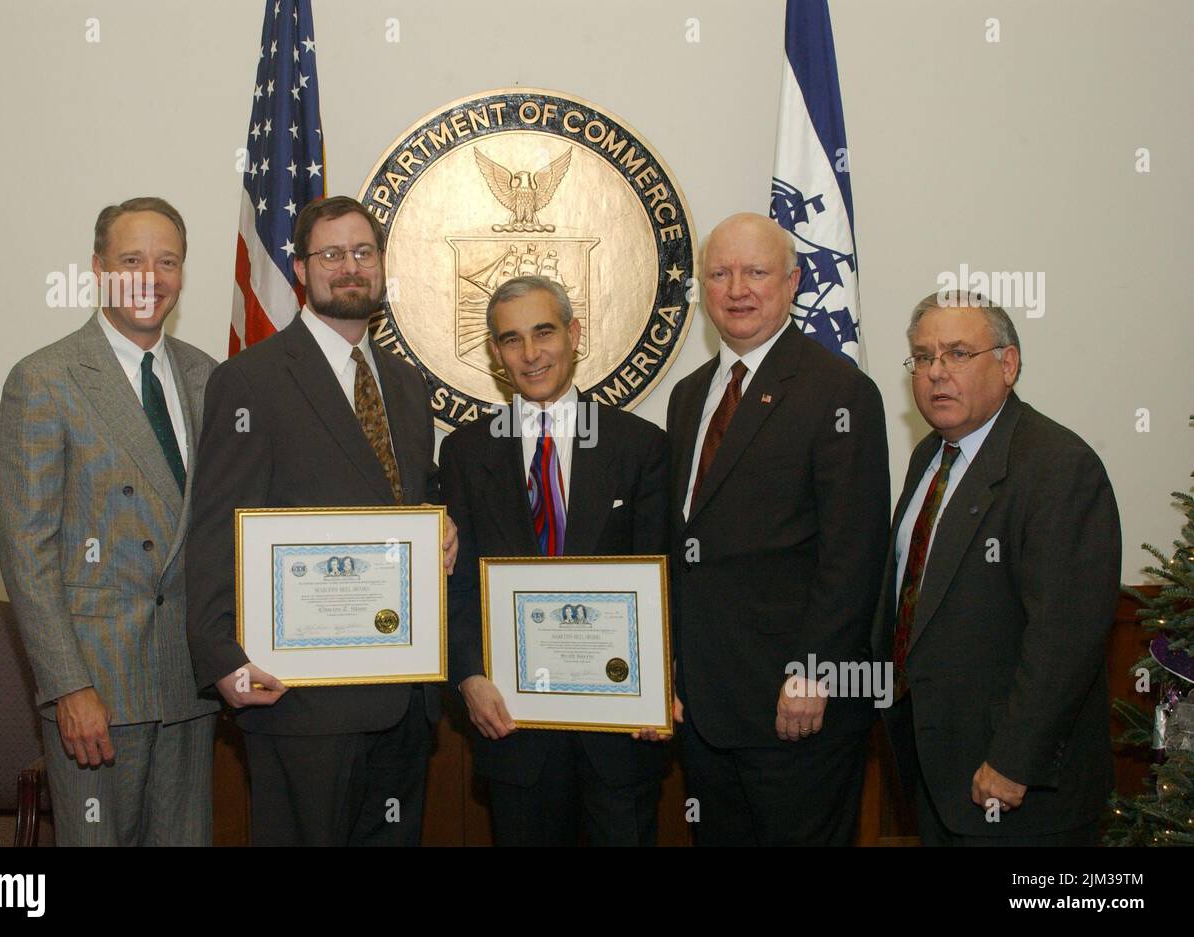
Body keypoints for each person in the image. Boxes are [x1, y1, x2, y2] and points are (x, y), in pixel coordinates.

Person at [185, 195, 456, 846]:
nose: (350, 267)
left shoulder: (406, 384)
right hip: (302, 699)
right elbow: (216, 523)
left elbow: (408, 495)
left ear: (382, 265)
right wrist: (224, 658)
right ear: (301, 269)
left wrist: (439, 521)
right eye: (331, 254)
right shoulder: (249, 381)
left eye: (363, 252)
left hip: (405, 693)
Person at [0, 196, 217, 845]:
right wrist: (69, 686)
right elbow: (25, 552)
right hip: (97, 696)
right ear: (98, 267)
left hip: (190, 687)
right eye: (132, 259)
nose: (152, 275)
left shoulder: (208, 376)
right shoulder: (44, 379)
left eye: (167, 260)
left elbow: (236, 521)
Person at [665, 213, 890, 845]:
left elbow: (854, 554)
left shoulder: (840, 392)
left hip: (795, 709)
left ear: (792, 282)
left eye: (756, 272)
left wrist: (813, 675)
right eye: (720, 273)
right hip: (707, 712)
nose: (737, 288)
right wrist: (671, 672)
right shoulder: (688, 398)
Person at [874, 290, 1121, 845]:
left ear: (1007, 364)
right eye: (923, 357)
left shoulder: (1059, 467)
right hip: (936, 772)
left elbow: (1066, 635)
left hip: (1017, 788)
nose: (937, 373)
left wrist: (1014, 760)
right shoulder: (929, 458)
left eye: (958, 354)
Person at [440, 275, 670, 845]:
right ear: (497, 354)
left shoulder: (640, 446)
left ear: (574, 334)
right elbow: (457, 584)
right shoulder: (466, 452)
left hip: (621, 729)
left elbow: (668, 578)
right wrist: (468, 676)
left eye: (544, 332)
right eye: (512, 340)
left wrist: (662, 680)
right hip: (514, 733)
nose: (531, 353)